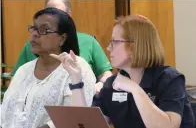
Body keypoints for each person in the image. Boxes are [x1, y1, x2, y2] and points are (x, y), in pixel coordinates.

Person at [51, 15, 195, 128]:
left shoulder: (170, 79)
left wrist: (134, 89)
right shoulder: (112, 83)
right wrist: (76, 78)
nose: (108, 48)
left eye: (114, 41)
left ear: (134, 46)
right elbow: (85, 124)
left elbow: (167, 126)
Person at [1, 8, 96, 128]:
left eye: (43, 30)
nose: (35, 34)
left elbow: (73, 119)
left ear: (62, 38)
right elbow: (4, 111)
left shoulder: (76, 68)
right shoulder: (23, 70)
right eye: (34, 28)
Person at [12, 0, 113, 93]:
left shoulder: (88, 43)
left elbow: (106, 74)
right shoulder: (31, 47)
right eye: (48, 11)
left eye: (57, 12)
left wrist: (100, 85)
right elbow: (15, 84)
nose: (35, 34)